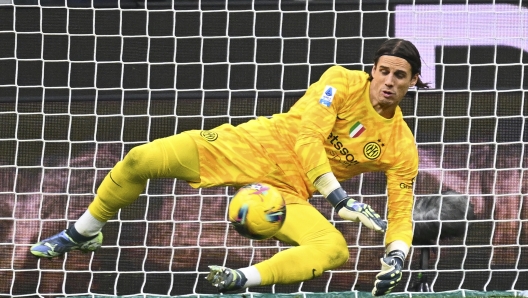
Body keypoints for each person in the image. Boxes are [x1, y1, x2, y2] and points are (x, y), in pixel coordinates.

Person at [31, 38, 428, 296]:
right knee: (141, 158)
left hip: (288, 192)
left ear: (413, 82)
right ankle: (85, 231)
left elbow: (400, 208)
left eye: (400, 75)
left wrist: (396, 255)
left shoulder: (399, 144)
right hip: (251, 146)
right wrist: (337, 197)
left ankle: (241, 280)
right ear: (372, 70)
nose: (388, 81)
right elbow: (308, 137)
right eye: (383, 71)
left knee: (334, 249)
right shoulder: (340, 81)